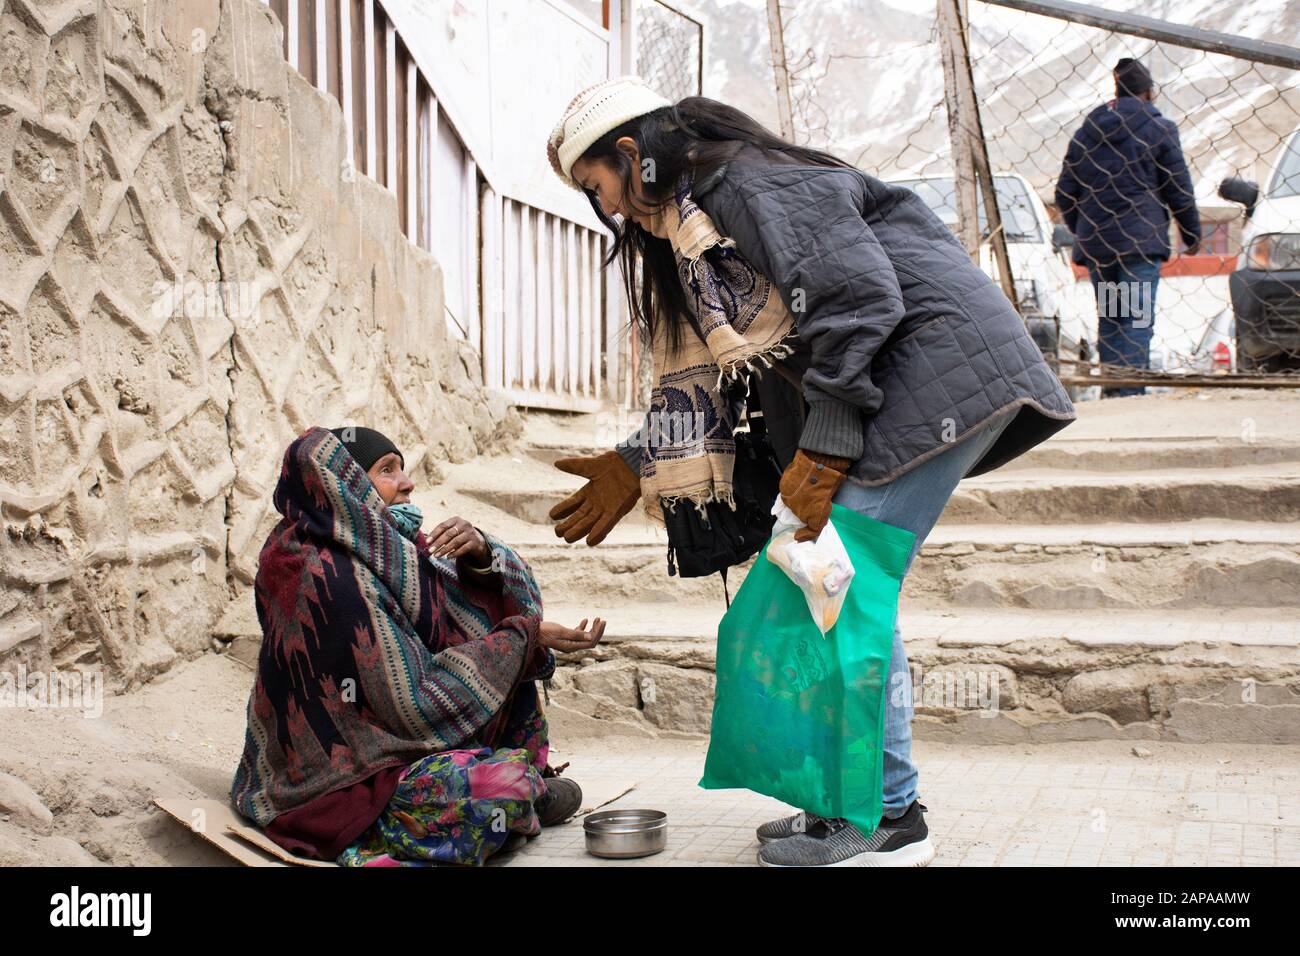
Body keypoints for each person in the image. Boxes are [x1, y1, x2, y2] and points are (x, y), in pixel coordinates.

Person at [543, 76, 1077, 867]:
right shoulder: (696, 227)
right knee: (822, 583)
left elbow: (859, 299)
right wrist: (636, 459)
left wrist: (825, 449)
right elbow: (739, 372)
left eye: (598, 188)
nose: (611, 210)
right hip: (897, 386)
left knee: (840, 588)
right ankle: (845, 803)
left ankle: (887, 820)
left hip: (931, 372)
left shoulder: (750, 184)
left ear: (630, 154)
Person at [230, 425, 606, 866]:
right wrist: (524, 639)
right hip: (339, 778)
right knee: (497, 786)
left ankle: (523, 790)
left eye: (403, 469)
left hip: (398, 740)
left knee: (510, 659)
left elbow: (472, 619)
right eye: (387, 470)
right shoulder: (320, 571)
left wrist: (482, 556)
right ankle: (524, 795)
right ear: (344, 485)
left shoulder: (383, 549)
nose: (407, 483)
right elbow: (412, 703)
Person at [1055, 57, 1201, 397]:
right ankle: (1129, 395)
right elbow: (1177, 186)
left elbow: (1064, 192)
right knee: (1135, 319)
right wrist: (1191, 233)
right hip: (1138, 245)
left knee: (1112, 317)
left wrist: (1084, 227)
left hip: (1100, 249)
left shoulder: (1087, 134)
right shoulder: (1159, 128)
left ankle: (1112, 389)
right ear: (1148, 93)